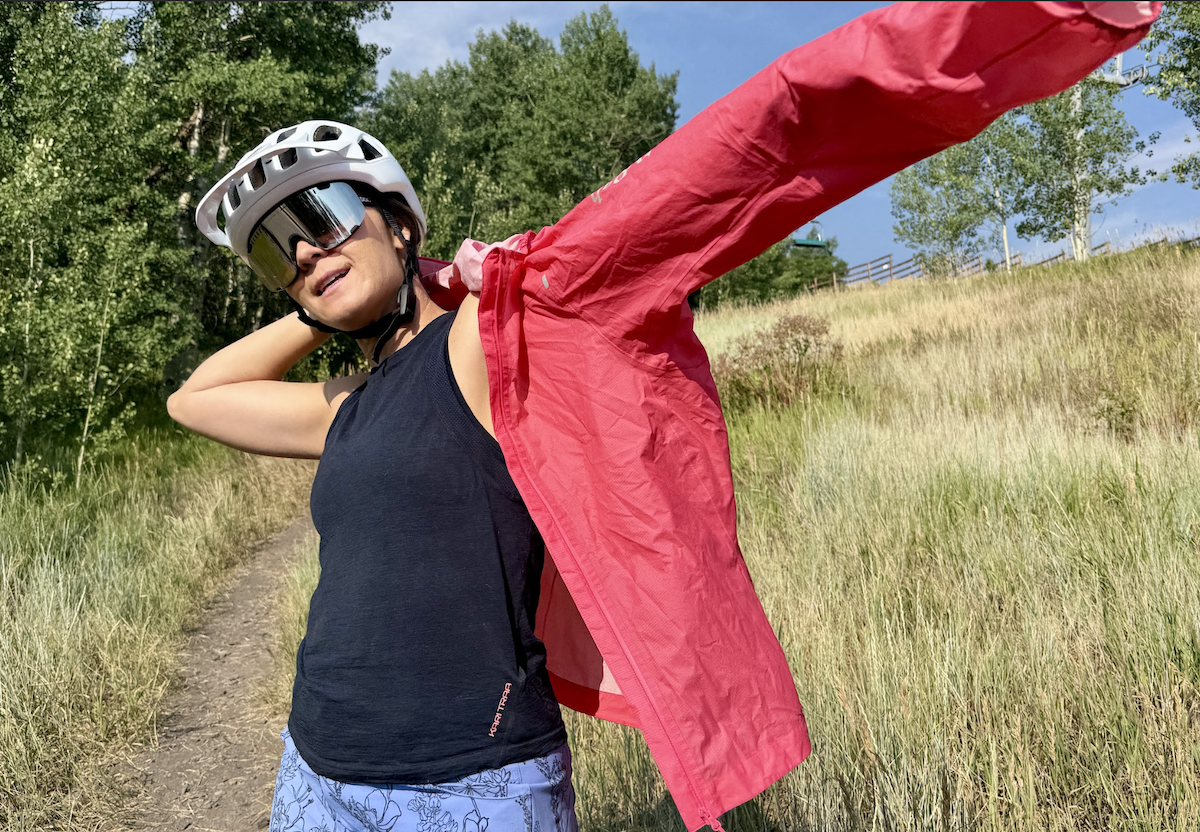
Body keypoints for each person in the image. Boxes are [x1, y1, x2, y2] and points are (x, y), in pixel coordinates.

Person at [171, 4, 1157, 831]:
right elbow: (196, 399)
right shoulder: (344, 405)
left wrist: (1019, 25)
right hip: (313, 772)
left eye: (327, 216)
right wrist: (322, 291)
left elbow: (741, 151)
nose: (303, 253)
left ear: (401, 215)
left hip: (463, 789)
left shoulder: (483, 349)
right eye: (276, 251)